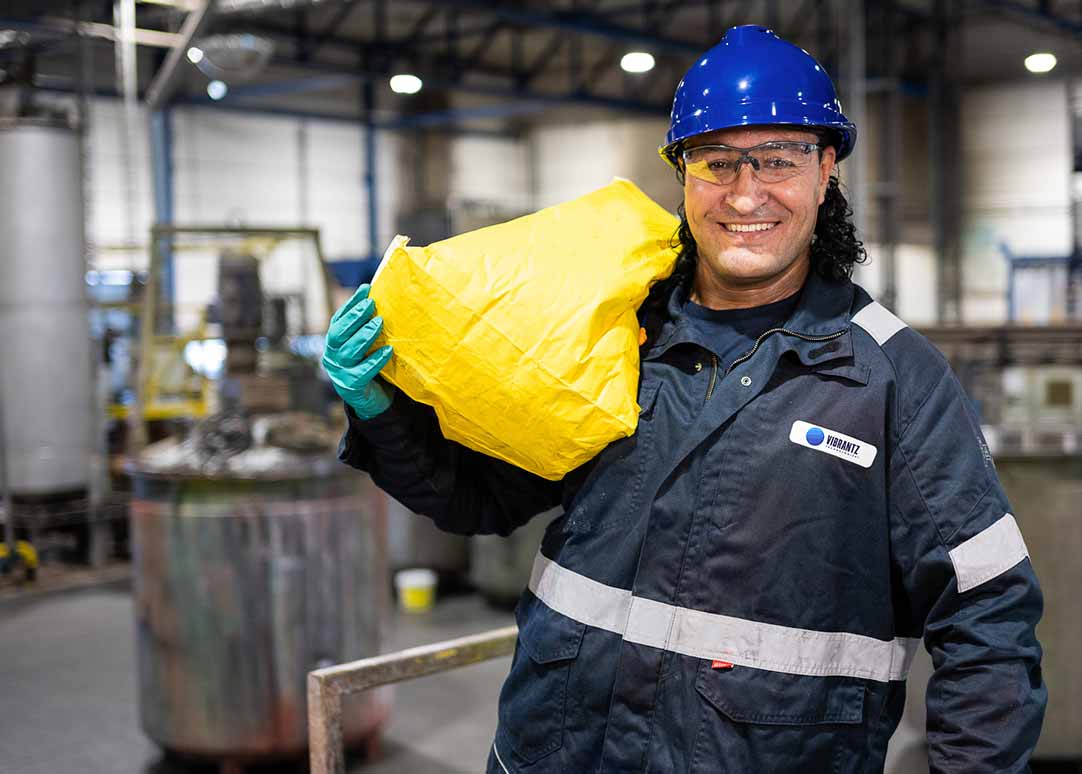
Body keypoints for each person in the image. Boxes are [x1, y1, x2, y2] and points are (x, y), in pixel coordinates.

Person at [322, 25, 1045, 774]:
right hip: (554, 754)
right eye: (716, 161)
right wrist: (381, 410)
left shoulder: (893, 380)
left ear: (826, 169)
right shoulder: (612, 333)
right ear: (683, 173)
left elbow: (988, 617)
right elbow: (483, 497)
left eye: (779, 159)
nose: (746, 192)